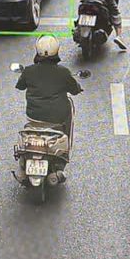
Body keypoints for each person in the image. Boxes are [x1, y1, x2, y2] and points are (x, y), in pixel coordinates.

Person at [15, 35, 82, 184]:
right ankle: (63, 155)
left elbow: (20, 86)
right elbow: (75, 89)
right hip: (57, 118)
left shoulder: (29, 71)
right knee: (67, 120)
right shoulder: (63, 72)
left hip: (34, 117)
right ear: (57, 51)